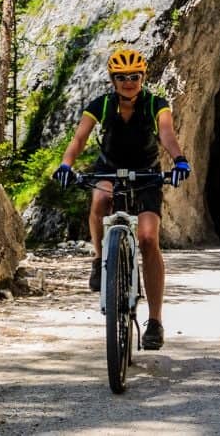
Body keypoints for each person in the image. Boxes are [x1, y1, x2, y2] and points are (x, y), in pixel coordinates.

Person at [53, 48, 190, 350]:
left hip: (147, 174)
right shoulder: (100, 106)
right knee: (100, 201)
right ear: (113, 79)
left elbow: (167, 135)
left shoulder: (156, 104)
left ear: (143, 77)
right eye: (122, 77)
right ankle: (99, 259)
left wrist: (179, 159)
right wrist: (65, 165)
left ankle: (155, 321)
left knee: (148, 239)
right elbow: (79, 138)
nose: (129, 82)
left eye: (135, 76)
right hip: (109, 168)